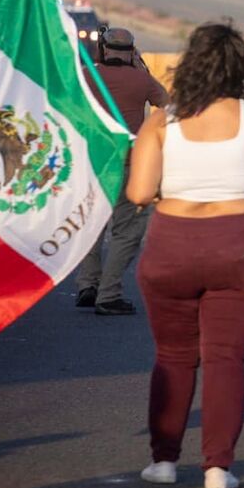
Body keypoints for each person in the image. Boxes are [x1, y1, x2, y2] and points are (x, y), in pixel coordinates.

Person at [126, 22, 244, 488]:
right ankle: (218, 466)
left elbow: (139, 193)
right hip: (238, 245)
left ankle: (163, 461)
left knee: (173, 356)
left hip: (171, 245)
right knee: (225, 357)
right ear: (240, 67)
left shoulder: (162, 122)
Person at [75, 28, 168, 316]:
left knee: (90, 228)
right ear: (131, 51)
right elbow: (166, 103)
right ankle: (109, 293)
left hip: (92, 164)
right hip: (129, 165)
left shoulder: (86, 75)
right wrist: (142, 69)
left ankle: (87, 284)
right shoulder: (141, 80)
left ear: (103, 50)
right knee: (126, 232)